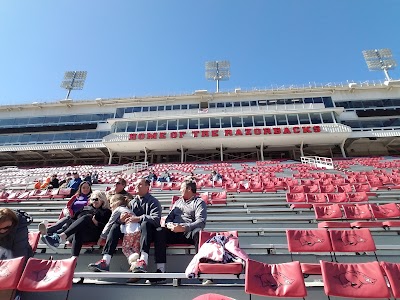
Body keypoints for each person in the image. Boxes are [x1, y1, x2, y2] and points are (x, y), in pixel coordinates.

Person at [88, 178, 161, 276]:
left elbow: (156, 219)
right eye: (135, 184)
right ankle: (106, 260)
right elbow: (123, 219)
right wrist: (121, 220)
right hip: (131, 231)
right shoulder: (131, 203)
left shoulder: (154, 202)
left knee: (145, 224)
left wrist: (139, 218)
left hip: (145, 232)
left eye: (140, 184)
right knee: (115, 226)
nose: (136, 186)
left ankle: (143, 260)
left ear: (147, 187)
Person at [148, 179, 207, 284]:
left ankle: (203, 272)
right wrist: (170, 225)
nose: (180, 190)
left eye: (182, 188)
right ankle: (160, 271)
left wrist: (184, 227)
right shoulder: (177, 203)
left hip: (189, 232)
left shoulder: (199, 202)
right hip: (174, 231)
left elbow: (201, 222)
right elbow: (168, 219)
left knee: (199, 233)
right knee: (160, 231)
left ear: (189, 189)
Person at [41, 191, 111, 257]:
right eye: (93, 199)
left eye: (97, 199)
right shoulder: (85, 208)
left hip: (94, 234)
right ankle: (73, 259)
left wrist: (96, 223)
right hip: (75, 234)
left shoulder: (106, 212)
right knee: (77, 228)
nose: (94, 202)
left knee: (87, 218)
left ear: (102, 200)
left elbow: (107, 228)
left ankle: (58, 237)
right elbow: (73, 220)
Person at [99, 194, 141, 270]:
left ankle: (134, 262)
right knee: (135, 249)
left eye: (111, 203)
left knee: (126, 249)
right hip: (138, 230)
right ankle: (136, 265)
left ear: (117, 203)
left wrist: (102, 236)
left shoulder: (118, 209)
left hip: (129, 231)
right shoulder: (129, 210)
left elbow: (110, 223)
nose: (110, 206)